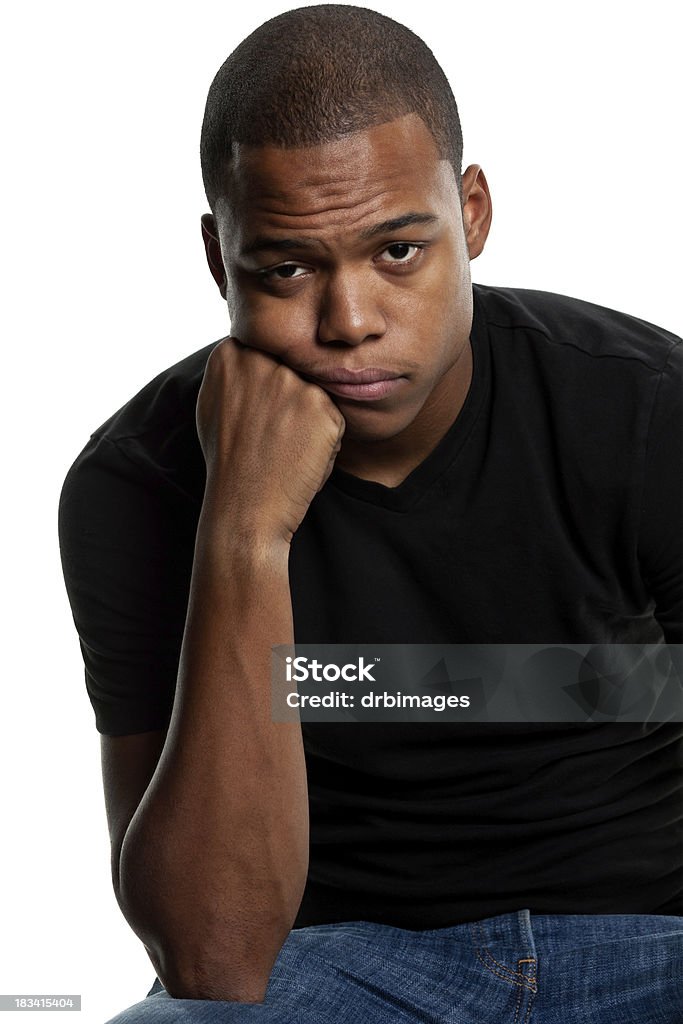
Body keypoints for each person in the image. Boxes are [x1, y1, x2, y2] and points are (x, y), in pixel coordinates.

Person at [58, 5, 682, 1022]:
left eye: (397, 251)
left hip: (650, 944)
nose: (348, 322)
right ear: (220, 259)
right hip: (340, 968)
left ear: (470, 214)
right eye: (287, 268)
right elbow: (209, 956)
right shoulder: (138, 483)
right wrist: (243, 533)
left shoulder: (644, 408)